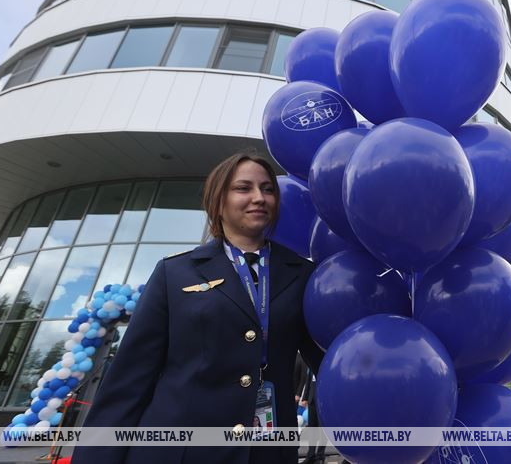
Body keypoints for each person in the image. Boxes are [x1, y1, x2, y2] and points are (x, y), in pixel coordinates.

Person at [72, 151, 323, 464]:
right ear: (218, 202)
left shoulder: (304, 275)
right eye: (243, 188)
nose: (259, 197)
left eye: (268, 189)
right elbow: (129, 381)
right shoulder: (175, 273)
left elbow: (328, 364)